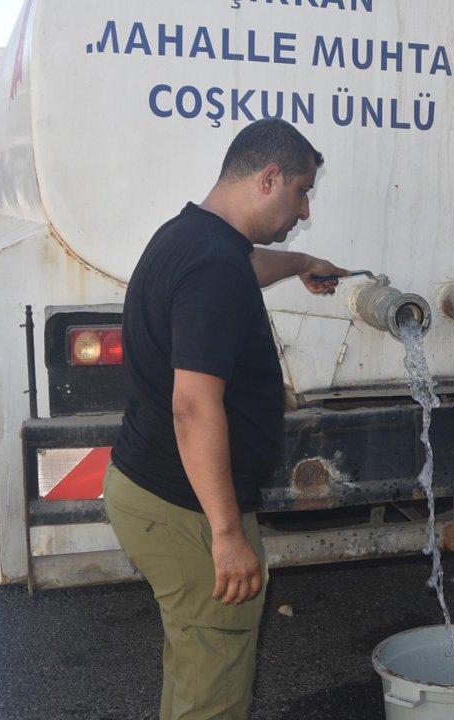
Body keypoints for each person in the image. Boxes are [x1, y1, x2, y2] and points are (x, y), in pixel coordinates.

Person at [104, 119, 350, 720]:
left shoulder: (192, 237)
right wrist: (227, 534)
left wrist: (300, 262)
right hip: (186, 508)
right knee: (212, 689)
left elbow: (248, 266)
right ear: (269, 178)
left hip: (150, 486)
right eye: (301, 191)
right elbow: (193, 407)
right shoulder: (213, 267)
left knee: (195, 667)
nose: (305, 209)